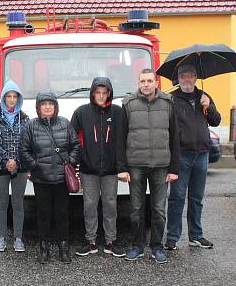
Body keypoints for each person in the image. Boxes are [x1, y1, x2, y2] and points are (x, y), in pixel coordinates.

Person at [120, 69, 179, 264]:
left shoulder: (168, 103)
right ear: (138, 83)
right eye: (142, 81)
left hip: (162, 165)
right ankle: (137, 246)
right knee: (137, 209)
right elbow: (120, 139)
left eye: (149, 81)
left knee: (159, 210)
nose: (146, 84)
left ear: (156, 83)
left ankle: (156, 246)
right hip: (136, 164)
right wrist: (122, 167)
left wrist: (174, 169)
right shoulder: (128, 105)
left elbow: (175, 138)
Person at [164, 64, 222, 251]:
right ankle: (172, 237)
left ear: (196, 77)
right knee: (177, 197)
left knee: (197, 198)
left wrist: (209, 107)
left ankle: (196, 236)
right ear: (178, 79)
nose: (187, 80)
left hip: (202, 154)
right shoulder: (172, 99)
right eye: (183, 77)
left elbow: (216, 120)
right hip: (181, 155)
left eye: (190, 76)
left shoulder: (204, 97)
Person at [19, 92, 80, 264]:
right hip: (41, 179)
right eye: (44, 104)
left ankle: (63, 247)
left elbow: (75, 145)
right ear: (38, 107)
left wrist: (70, 162)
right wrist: (35, 165)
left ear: (55, 106)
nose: (47, 107)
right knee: (43, 214)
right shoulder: (31, 126)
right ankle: (43, 248)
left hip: (62, 179)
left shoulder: (65, 123)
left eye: (50, 104)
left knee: (62, 214)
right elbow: (23, 150)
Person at [71, 77, 126, 258]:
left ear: (109, 93)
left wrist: (121, 166)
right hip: (89, 169)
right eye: (98, 92)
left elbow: (123, 141)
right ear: (92, 93)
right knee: (90, 205)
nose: (101, 96)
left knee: (110, 205)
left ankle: (111, 241)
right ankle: (90, 241)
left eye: (104, 93)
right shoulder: (81, 112)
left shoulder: (118, 112)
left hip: (110, 170)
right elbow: (74, 140)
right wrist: (76, 164)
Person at [0, 80, 29, 253]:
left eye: (14, 97)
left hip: (21, 167)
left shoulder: (25, 119)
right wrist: (6, 160)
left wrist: (17, 161)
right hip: (0, 167)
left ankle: (18, 238)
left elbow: (28, 143)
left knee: (18, 203)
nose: (11, 100)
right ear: (3, 98)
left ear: (18, 99)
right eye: (8, 96)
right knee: (2, 203)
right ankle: (1, 238)